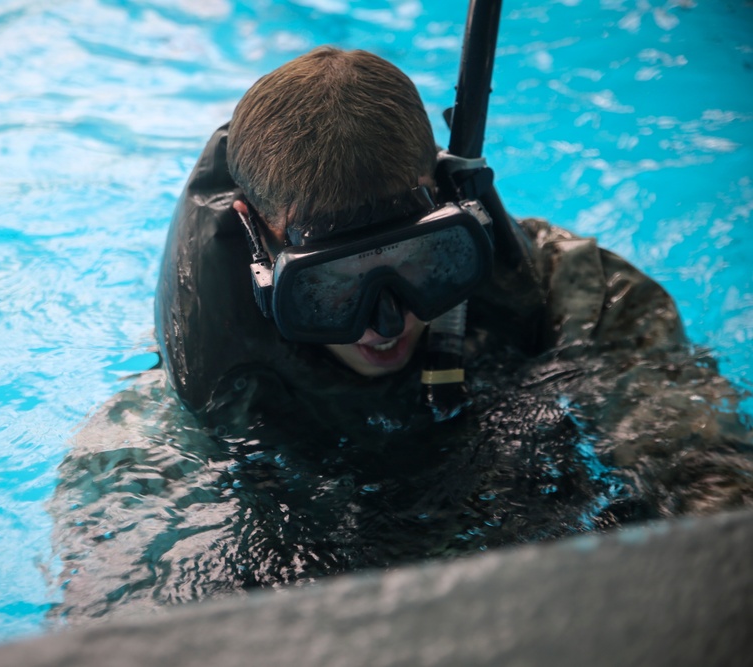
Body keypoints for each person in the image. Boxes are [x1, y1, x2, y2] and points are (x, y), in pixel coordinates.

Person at [51, 47, 752, 622]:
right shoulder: (171, 431)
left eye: (421, 263)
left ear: (450, 200)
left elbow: (716, 490)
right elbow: (117, 626)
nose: (387, 322)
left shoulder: (576, 298)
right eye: (331, 287)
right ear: (255, 238)